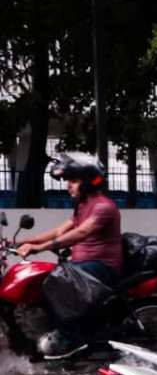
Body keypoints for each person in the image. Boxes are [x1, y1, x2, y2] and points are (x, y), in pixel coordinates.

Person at [16, 153, 124, 358]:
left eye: (73, 181)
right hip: (84, 266)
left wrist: (40, 248)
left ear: (89, 181)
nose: (68, 186)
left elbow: (81, 233)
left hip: (102, 267)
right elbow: (59, 232)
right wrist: (20, 242)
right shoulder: (83, 206)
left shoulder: (103, 207)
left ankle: (70, 338)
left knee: (57, 281)